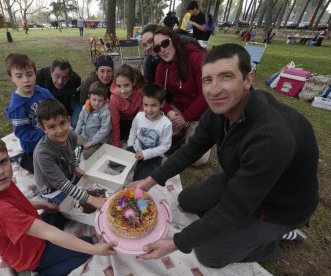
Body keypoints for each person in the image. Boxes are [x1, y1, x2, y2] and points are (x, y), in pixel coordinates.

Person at [132, 43, 319, 268]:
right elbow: (190, 150)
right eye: (208, 80)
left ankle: (274, 239)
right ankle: (246, 231)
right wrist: (150, 181)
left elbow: (235, 207)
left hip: (279, 205)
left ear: (248, 79)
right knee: (186, 200)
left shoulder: (271, 137)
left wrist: (176, 242)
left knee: (208, 253)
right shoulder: (218, 110)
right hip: (241, 179)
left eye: (226, 77)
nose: (214, 89)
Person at [0, 132, 116, 275]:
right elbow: (48, 232)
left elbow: (16, 203)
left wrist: (41, 204)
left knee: (61, 210)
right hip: (32, 255)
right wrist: (94, 249)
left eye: (3, 161)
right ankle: (42, 271)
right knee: (88, 245)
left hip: (29, 231)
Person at [33, 99, 106, 208]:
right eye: (52, 127)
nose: (60, 130)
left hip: (68, 176)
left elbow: (71, 153)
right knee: (72, 206)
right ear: (43, 129)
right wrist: (92, 200)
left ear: (68, 120)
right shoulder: (43, 153)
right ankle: (43, 196)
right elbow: (61, 184)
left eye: (62, 123)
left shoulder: (71, 135)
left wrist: (75, 166)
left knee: (94, 186)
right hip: (54, 190)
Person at [153, 27, 210, 163]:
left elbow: (206, 95)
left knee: (198, 160)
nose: (162, 50)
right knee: (155, 139)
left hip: (200, 113)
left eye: (165, 43)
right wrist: (170, 112)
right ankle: (182, 134)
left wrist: (186, 117)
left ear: (174, 40)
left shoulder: (197, 58)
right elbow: (157, 95)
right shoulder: (162, 67)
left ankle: (201, 135)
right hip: (178, 110)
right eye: (157, 48)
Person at [4, 53, 54, 174]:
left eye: (29, 74)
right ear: (12, 78)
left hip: (51, 136)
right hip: (33, 146)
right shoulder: (17, 107)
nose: (26, 80)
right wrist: (45, 132)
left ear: (35, 74)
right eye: (19, 76)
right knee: (43, 170)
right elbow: (22, 132)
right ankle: (22, 159)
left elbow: (55, 108)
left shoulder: (44, 92)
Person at [126, 84, 172, 181]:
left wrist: (146, 154)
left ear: (162, 104)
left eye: (154, 105)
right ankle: (135, 164)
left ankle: (142, 168)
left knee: (139, 180)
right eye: (145, 105)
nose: (149, 110)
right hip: (135, 150)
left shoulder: (166, 124)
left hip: (152, 157)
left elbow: (165, 146)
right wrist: (130, 146)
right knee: (113, 164)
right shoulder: (139, 116)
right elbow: (133, 130)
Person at [36, 59, 82, 128]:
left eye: (65, 78)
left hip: (65, 100)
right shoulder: (38, 78)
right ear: (51, 73)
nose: (60, 82)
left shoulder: (74, 80)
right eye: (57, 76)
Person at [109, 64, 146, 148]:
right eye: (119, 86)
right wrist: (116, 145)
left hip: (135, 120)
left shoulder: (141, 93)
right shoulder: (114, 98)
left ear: (133, 82)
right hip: (122, 122)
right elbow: (115, 123)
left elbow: (142, 118)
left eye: (126, 85)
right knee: (118, 136)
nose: (122, 91)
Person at [75, 81, 111, 160]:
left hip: (98, 141)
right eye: (94, 99)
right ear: (89, 97)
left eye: (100, 100)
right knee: (72, 140)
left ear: (105, 100)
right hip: (85, 136)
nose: (97, 103)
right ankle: (75, 159)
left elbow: (105, 130)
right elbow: (80, 120)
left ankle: (91, 149)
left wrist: (92, 142)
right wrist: (77, 132)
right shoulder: (85, 107)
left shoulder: (105, 112)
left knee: (86, 154)